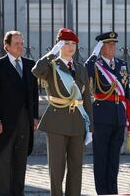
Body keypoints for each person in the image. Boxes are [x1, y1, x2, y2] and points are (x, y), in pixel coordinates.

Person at [32, 28, 92, 196]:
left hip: (78, 122)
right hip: (57, 121)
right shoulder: (51, 66)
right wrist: (51, 53)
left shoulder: (80, 68)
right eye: (66, 43)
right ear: (59, 45)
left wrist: (91, 126)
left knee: (76, 168)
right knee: (56, 169)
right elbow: (36, 71)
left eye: (73, 43)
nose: (71, 47)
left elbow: (87, 98)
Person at [0, 30, 39, 196]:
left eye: (22, 43)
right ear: (7, 46)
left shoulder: (30, 65)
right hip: (5, 121)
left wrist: (35, 117)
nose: (20, 46)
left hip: (25, 120)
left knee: (20, 160)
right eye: (16, 43)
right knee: (5, 161)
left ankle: (19, 193)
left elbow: (34, 94)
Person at [85, 31, 130, 195]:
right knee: (101, 157)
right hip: (102, 115)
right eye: (108, 44)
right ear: (101, 47)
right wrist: (94, 54)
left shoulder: (122, 64)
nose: (112, 47)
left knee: (114, 158)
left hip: (119, 116)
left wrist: (128, 117)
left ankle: (113, 190)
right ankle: (102, 191)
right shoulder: (96, 64)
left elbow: (126, 94)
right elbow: (85, 72)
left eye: (114, 44)